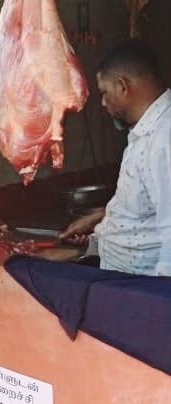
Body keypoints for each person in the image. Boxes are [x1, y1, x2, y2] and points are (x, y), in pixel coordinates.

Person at [60, 39, 171, 276]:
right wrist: (102, 218)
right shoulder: (146, 132)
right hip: (120, 277)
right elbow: (148, 205)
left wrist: (159, 295)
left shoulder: (164, 139)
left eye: (104, 92)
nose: (102, 103)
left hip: (140, 288)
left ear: (122, 86)